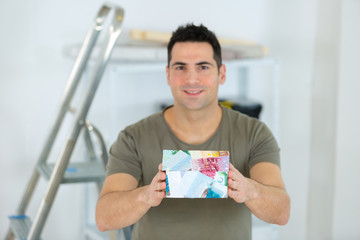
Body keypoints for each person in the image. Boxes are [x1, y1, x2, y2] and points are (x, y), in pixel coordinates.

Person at [95, 23, 290, 240]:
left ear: (222, 74)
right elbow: (104, 218)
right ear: (168, 75)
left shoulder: (255, 133)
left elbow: (281, 213)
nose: (191, 79)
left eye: (203, 67)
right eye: (180, 67)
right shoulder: (133, 138)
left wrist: (250, 190)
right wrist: (144, 196)